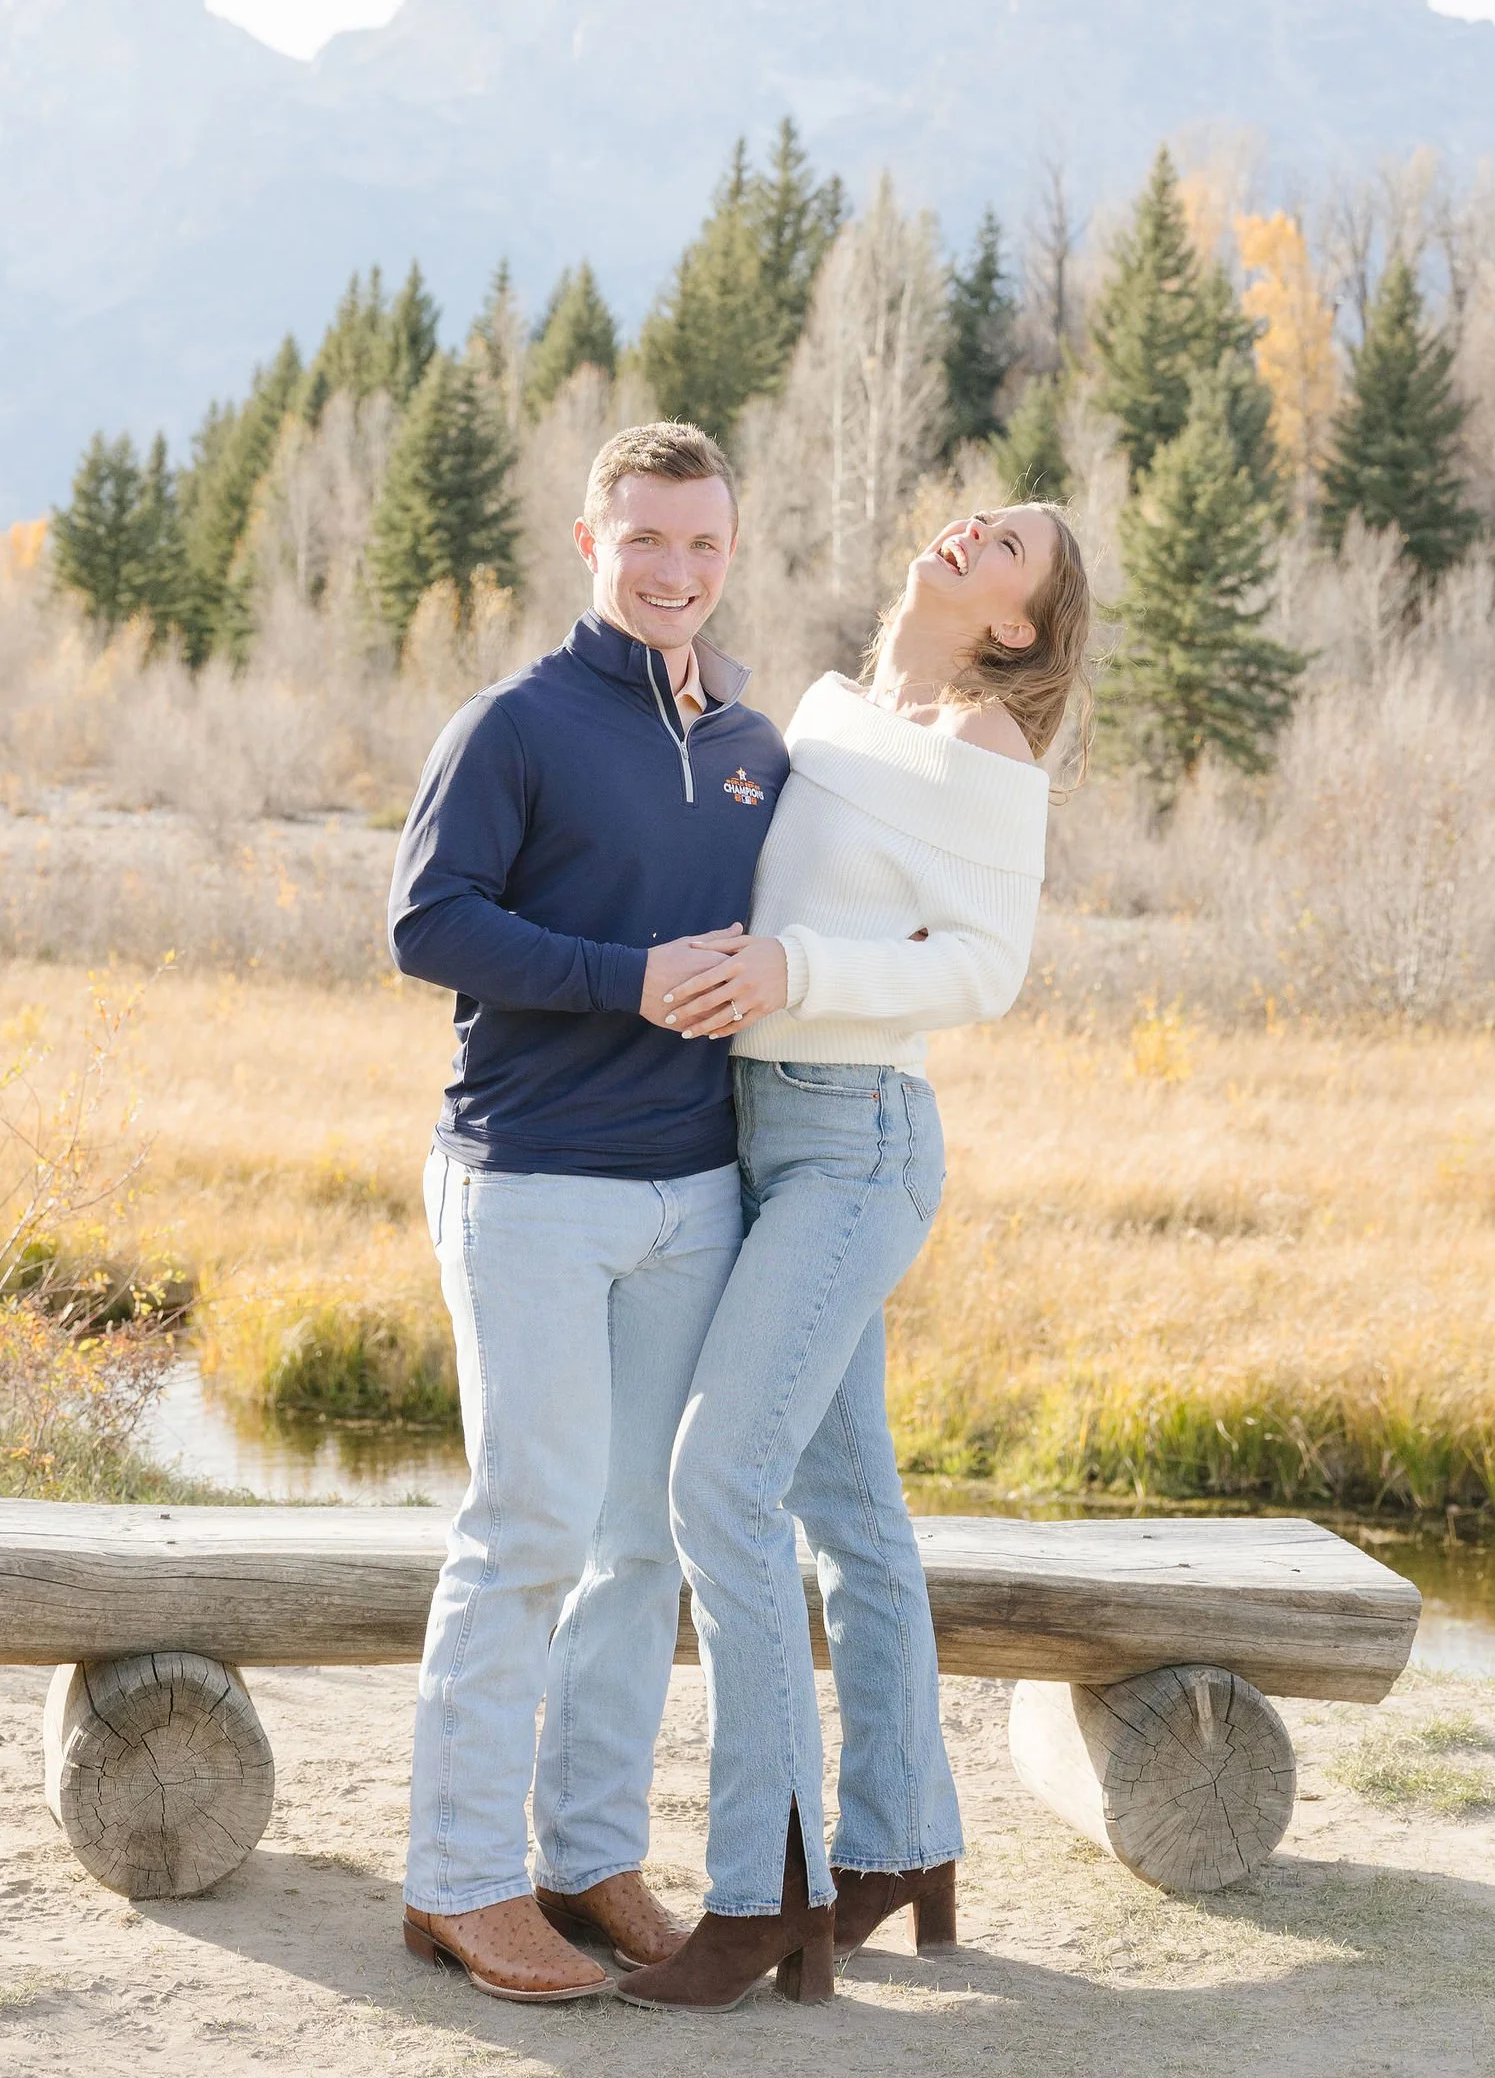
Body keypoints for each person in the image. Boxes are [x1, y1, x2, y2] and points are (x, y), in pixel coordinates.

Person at [622, 502, 1092, 2012]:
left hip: (857, 1141)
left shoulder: (989, 746)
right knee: (849, 1507)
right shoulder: (837, 707)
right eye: (982, 513)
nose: (976, 528)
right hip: (756, 1127)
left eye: (1009, 545)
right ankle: (901, 1842)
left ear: (1014, 626)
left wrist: (792, 972)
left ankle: (764, 1889)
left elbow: (987, 967)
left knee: (719, 1483)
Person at [386, 420, 789, 2004]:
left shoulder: (754, 737)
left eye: (702, 543)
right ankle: (462, 1881)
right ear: (589, 542)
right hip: (532, 1184)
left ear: (728, 551)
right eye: (647, 541)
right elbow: (428, 924)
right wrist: (625, 982)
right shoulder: (515, 726)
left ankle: (590, 1859)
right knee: (528, 1532)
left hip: (694, 1197)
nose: (675, 570)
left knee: (640, 1547)